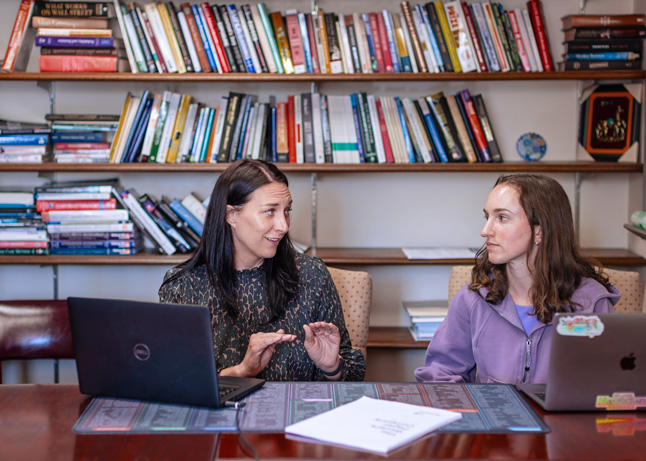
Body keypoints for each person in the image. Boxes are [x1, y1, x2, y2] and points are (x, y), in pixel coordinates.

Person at [159, 159, 365, 382]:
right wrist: (242, 372)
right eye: (269, 212)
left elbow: (351, 380)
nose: (284, 226)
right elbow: (175, 381)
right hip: (218, 416)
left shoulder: (313, 276)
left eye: (287, 211)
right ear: (231, 216)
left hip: (300, 415)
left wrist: (332, 366)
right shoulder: (182, 287)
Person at [415, 174, 620, 385]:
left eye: (502, 218)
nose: (485, 231)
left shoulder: (592, 303)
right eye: (487, 217)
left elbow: (613, 385)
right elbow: (440, 373)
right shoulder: (473, 297)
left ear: (539, 231)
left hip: (563, 418)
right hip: (492, 416)